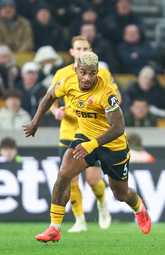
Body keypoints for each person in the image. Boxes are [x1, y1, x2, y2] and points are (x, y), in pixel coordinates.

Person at [23, 52, 151, 243]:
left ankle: (139, 208)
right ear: (77, 70)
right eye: (83, 72)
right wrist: (35, 122)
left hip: (112, 146)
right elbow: (49, 97)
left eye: (92, 73)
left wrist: (93, 145)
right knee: (64, 174)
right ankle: (54, 228)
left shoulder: (106, 93)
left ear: (97, 72)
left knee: (120, 193)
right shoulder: (68, 82)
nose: (87, 78)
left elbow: (118, 128)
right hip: (84, 138)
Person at [49, 35, 122, 233]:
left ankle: (102, 203)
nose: (82, 51)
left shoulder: (103, 73)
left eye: (86, 48)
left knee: (92, 180)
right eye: (78, 48)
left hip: (93, 134)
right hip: (68, 132)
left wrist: (106, 111)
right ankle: (80, 220)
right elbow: (51, 101)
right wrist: (57, 112)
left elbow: (117, 97)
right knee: (70, 179)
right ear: (72, 52)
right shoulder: (62, 74)